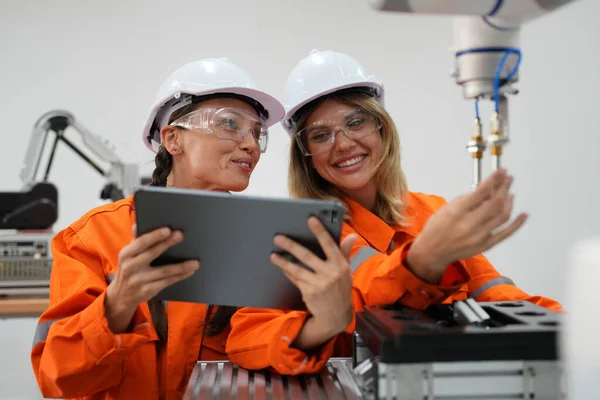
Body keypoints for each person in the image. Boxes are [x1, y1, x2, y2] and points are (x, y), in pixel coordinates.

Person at [225, 49, 563, 375]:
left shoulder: (432, 211)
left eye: (356, 122)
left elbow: (499, 297)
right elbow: (248, 337)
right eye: (321, 135)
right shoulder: (303, 233)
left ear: (381, 127)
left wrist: (572, 331)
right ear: (306, 154)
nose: (343, 144)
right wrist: (422, 260)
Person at [30, 57, 285, 400]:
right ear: (173, 139)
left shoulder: (263, 240)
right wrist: (117, 303)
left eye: (257, 133)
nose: (251, 144)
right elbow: (56, 379)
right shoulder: (92, 238)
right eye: (229, 124)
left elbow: (274, 361)